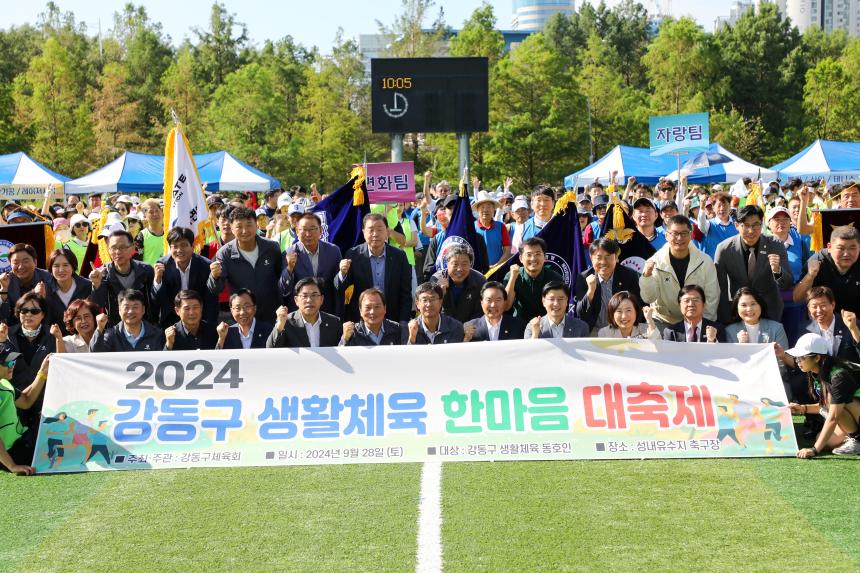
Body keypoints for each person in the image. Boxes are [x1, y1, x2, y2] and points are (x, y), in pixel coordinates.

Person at [715, 205, 792, 325]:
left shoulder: (775, 245)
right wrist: (727, 320)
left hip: (770, 310)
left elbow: (787, 283)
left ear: (762, 224)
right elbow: (720, 289)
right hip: (738, 312)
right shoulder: (724, 249)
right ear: (736, 225)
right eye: (745, 225)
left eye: (756, 225)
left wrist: (777, 271)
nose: (751, 231)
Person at [639, 215, 719, 329]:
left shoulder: (705, 261)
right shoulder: (655, 262)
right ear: (666, 235)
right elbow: (648, 298)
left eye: (684, 233)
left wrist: (702, 326)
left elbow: (712, 298)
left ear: (691, 235)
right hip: (664, 321)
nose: (679, 238)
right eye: (675, 233)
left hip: (696, 321)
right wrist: (647, 277)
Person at [207, 206, 286, 322]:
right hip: (243, 316)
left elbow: (282, 278)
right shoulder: (224, 253)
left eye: (249, 225)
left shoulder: (272, 247)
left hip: (272, 313)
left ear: (256, 225)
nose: (244, 231)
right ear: (232, 228)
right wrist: (214, 276)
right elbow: (215, 289)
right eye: (239, 226)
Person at [787, 333, 860, 457]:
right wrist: (803, 408)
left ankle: (857, 439)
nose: (797, 361)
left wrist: (814, 450)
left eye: (802, 357)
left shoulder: (838, 376)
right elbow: (827, 406)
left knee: (831, 401)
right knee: (824, 440)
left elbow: (833, 416)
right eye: (797, 358)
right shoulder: (818, 371)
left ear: (817, 358)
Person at [336, 213, 412, 323]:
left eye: (380, 230)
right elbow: (340, 288)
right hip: (363, 320)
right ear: (363, 232)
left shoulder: (399, 256)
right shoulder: (353, 254)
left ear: (387, 232)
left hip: (392, 319)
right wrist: (342, 273)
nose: (375, 234)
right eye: (371, 230)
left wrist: (403, 321)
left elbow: (406, 293)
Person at [0, 293, 56, 431]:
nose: (28, 314)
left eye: (34, 311)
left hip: (44, 407)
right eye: (24, 310)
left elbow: (62, 370)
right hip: (13, 405)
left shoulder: (53, 335)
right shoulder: (5, 335)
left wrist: (59, 339)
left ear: (43, 314)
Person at [152, 227, 217, 329]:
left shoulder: (205, 265)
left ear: (192, 247)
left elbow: (210, 298)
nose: (179, 250)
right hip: (171, 317)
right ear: (170, 248)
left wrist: (209, 325)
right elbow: (157, 298)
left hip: (198, 316)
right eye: (175, 246)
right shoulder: (162, 265)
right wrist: (157, 280)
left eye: (184, 245)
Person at [89, 230, 155, 326]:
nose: (118, 252)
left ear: (133, 248)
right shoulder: (102, 274)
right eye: (113, 248)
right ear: (108, 250)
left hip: (143, 326)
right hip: (115, 329)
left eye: (122, 247)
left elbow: (154, 300)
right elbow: (97, 304)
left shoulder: (146, 270)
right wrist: (96, 285)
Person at [574, 238, 641, 333]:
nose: (603, 262)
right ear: (591, 258)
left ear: (616, 257)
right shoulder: (583, 277)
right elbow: (580, 313)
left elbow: (638, 307)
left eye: (608, 256)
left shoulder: (629, 276)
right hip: (594, 331)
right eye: (598, 257)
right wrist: (590, 291)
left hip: (622, 330)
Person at [0, 349, 50, 475]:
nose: (12, 366)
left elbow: (26, 401)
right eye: (7, 363)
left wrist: (42, 373)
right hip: (10, 454)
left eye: (13, 362)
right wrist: (12, 466)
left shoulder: (4, 383)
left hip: (22, 442)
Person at [281, 213, 342, 315]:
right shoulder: (289, 253)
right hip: (300, 313)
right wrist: (289, 268)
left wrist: (343, 274)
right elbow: (283, 289)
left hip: (328, 312)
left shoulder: (333, 251)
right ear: (297, 231)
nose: (308, 234)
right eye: (304, 229)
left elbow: (339, 285)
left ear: (321, 230)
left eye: (313, 229)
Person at [793, 225, 860, 315]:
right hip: (825, 318)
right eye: (840, 248)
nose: (846, 254)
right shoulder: (818, 261)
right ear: (829, 247)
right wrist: (810, 276)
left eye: (852, 248)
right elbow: (797, 298)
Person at [267, 277, 341, 348]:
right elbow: (271, 349)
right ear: (296, 300)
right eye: (304, 296)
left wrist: (345, 339)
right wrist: (279, 327)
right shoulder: (286, 322)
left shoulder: (334, 322)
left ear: (321, 299)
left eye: (314, 295)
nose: (309, 300)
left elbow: (342, 350)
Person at [504, 237, 563, 323]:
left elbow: (559, 307)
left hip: (547, 324)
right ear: (521, 258)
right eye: (529, 254)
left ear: (544, 257)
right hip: (519, 325)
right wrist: (513, 278)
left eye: (538, 254)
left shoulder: (555, 278)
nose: (533, 258)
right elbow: (506, 306)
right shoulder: (511, 275)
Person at [90, 289, 165, 352]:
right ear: (119, 311)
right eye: (126, 307)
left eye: (135, 307)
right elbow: (95, 355)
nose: (130, 311)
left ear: (143, 310)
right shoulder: (111, 335)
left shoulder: (157, 335)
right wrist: (99, 329)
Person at [431, 243, 485, 323]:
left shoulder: (480, 281)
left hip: (470, 327)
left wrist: (469, 326)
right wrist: (440, 295)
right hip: (444, 327)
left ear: (470, 264)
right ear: (447, 264)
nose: (459, 269)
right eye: (455, 264)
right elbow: (430, 312)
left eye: (464, 264)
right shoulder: (436, 280)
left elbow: (481, 312)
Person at [44, 248, 92, 333]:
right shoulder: (44, 289)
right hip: (55, 338)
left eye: (66, 265)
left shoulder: (87, 286)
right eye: (56, 266)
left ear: (73, 266)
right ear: (50, 269)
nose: (61, 270)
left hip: (83, 336)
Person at [0, 243, 53, 313]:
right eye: (16, 263)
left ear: (35, 262)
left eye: (25, 262)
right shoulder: (4, 281)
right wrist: (3, 290)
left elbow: (52, 310)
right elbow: (4, 314)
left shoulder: (48, 277)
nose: (20, 267)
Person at [525, 281, 589, 339]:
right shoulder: (532, 326)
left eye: (561, 299)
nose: (556, 304)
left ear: (567, 301)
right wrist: (535, 335)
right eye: (551, 299)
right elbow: (528, 348)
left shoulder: (581, 327)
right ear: (543, 301)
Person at [473, 191, 511, 267]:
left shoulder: (501, 227)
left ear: (494, 209)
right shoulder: (472, 227)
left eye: (488, 206)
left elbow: (507, 250)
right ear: (477, 209)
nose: (485, 210)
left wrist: (497, 265)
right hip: (477, 270)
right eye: (482, 207)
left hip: (498, 269)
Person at [697, 191, 737, 259]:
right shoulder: (709, 225)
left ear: (730, 206)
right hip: (713, 264)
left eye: (724, 205)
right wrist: (702, 207)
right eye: (719, 206)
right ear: (713, 207)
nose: (722, 208)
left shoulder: (737, 225)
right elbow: (701, 225)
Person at [131, 198, 165, 266]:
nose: (155, 214)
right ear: (145, 216)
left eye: (157, 210)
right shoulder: (141, 236)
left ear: (162, 212)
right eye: (151, 212)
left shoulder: (170, 233)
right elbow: (137, 261)